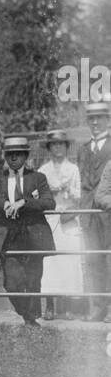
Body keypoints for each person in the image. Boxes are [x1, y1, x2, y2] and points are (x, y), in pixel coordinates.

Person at [0, 133, 55, 327]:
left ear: (26, 156)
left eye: (18, 153)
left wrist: (24, 203)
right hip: (9, 237)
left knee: (34, 280)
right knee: (12, 284)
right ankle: (26, 313)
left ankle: (31, 319)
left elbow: (50, 202)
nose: (14, 158)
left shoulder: (38, 178)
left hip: (34, 235)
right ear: (5, 157)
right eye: (10, 154)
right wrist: (5, 205)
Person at [38, 129, 83, 320]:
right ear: (49, 148)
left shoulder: (73, 169)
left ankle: (69, 307)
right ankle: (50, 306)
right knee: (50, 262)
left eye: (61, 144)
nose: (58, 148)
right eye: (54, 144)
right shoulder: (43, 171)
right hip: (49, 219)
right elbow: (37, 196)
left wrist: (68, 197)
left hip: (67, 219)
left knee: (68, 260)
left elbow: (78, 196)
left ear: (66, 147)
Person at [76, 101, 111, 322]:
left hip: (108, 212)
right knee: (94, 261)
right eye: (91, 119)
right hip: (89, 214)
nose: (95, 122)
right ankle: (98, 310)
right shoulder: (82, 149)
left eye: (99, 118)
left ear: (108, 119)